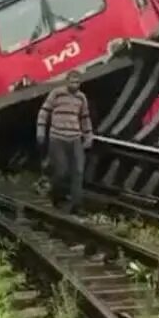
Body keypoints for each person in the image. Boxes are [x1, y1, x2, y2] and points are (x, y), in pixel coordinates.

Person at [36, 70, 93, 214]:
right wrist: (41, 131)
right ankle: (56, 197)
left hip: (75, 138)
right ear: (66, 81)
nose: (75, 85)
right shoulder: (56, 93)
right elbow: (44, 112)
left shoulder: (81, 98)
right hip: (57, 137)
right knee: (61, 171)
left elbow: (85, 118)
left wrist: (88, 136)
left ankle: (77, 205)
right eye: (72, 82)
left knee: (78, 171)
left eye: (77, 82)